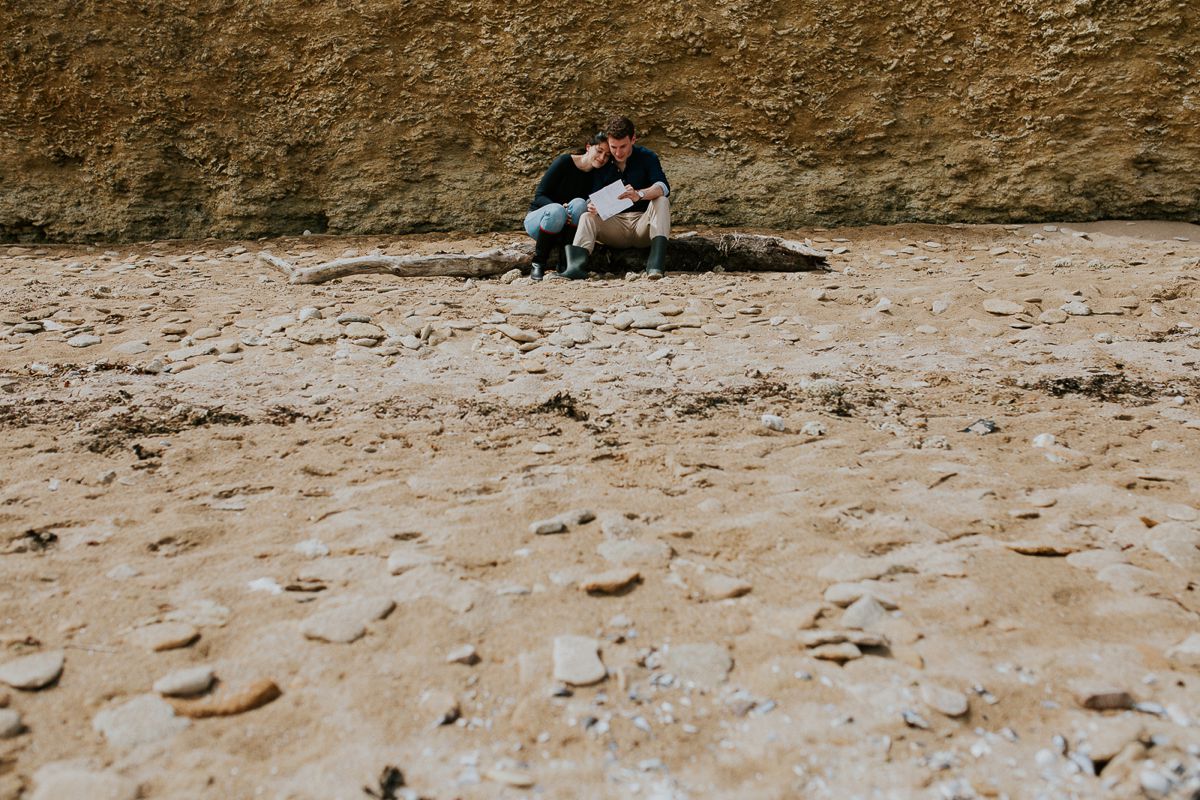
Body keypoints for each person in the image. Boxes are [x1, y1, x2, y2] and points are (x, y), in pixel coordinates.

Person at [563, 116, 671, 280]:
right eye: (613, 147)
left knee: (662, 200)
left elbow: (663, 187)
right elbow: (591, 197)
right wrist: (591, 205)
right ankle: (575, 268)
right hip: (614, 227)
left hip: (644, 226)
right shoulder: (603, 163)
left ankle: (655, 266)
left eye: (623, 146)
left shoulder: (647, 157)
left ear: (633, 139)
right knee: (587, 216)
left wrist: (639, 194)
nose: (618, 153)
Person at [523, 132, 610, 281]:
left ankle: (564, 263)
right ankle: (538, 264)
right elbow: (540, 195)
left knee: (580, 204)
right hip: (541, 221)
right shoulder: (564, 162)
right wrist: (559, 208)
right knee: (557, 211)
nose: (602, 158)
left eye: (607, 155)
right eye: (599, 151)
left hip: (565, 230)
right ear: (588, 147)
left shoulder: (599, 174)